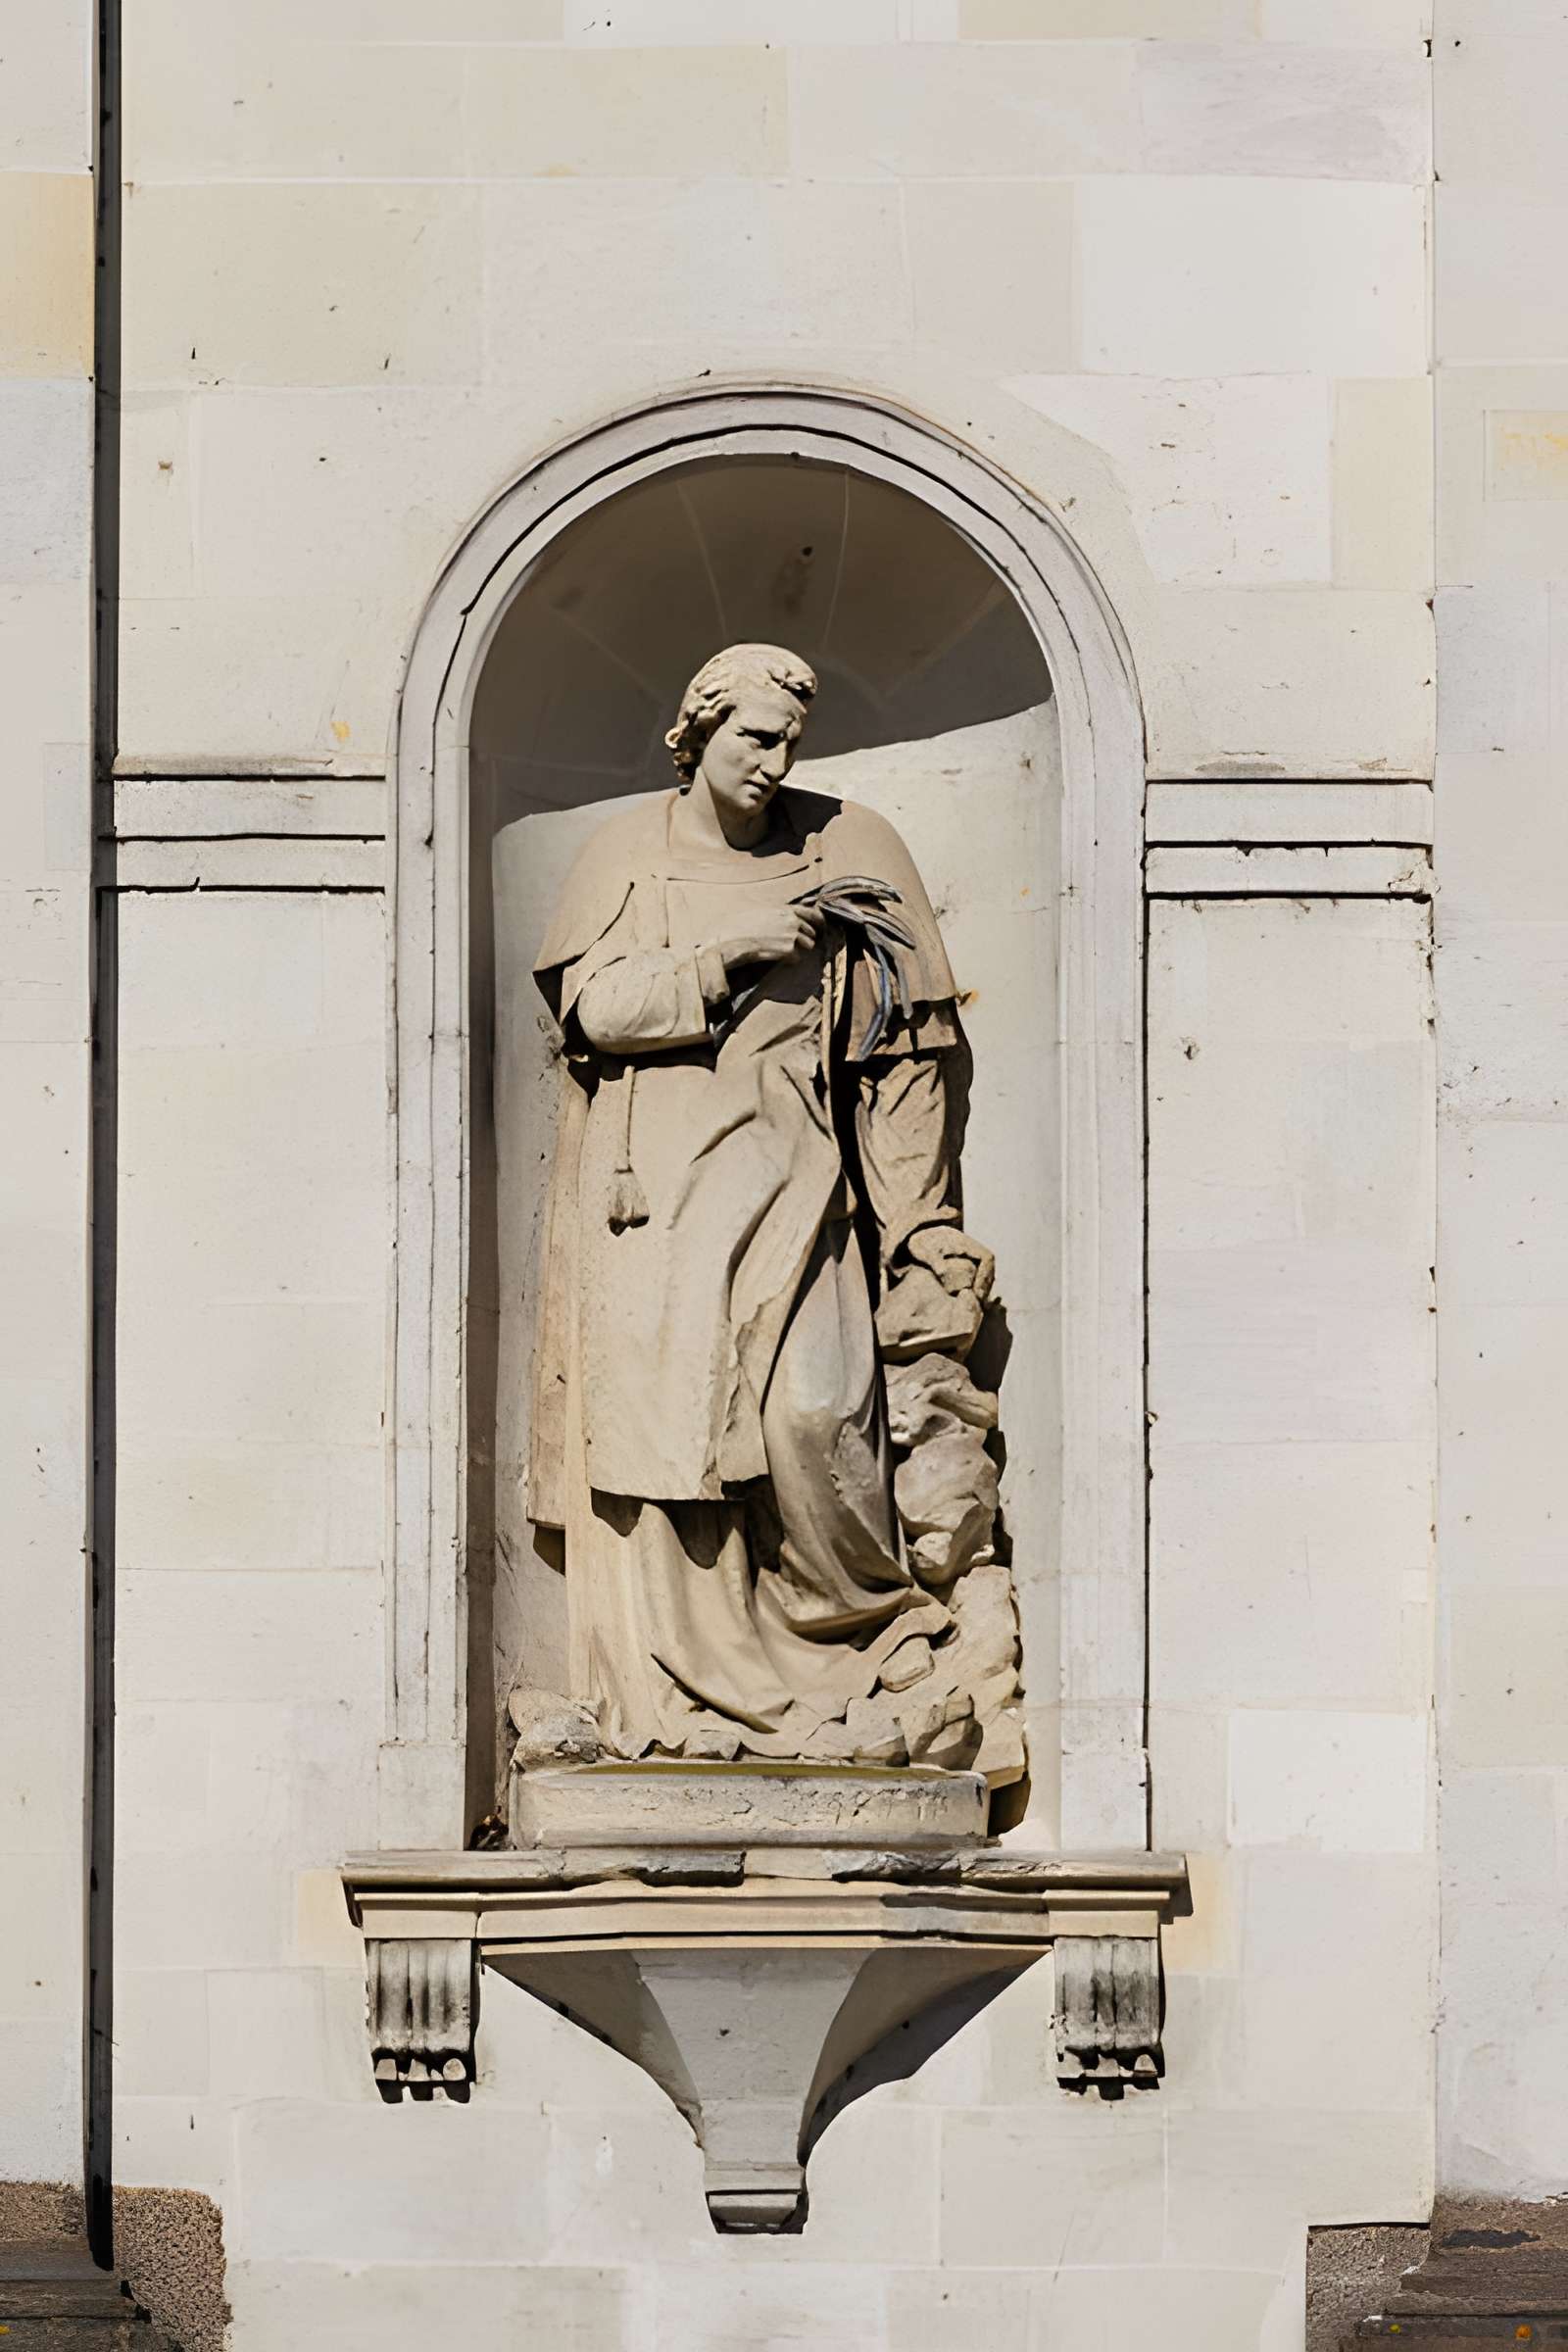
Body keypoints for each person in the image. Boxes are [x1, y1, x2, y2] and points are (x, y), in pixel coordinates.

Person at [525, 643, 994, 1762]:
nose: (773, 761)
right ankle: (693, 1703)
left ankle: (864, 1649)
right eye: (752, 737)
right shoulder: (624, 854)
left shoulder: (847, 852)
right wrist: (728, 954)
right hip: (656, 1207)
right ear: (694, 734)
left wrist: (916, 1219)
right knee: (670, 1454)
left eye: (788, 742)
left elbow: (903, 1056)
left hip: (796, 1180)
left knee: (814, 1416)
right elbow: (592, 1011)